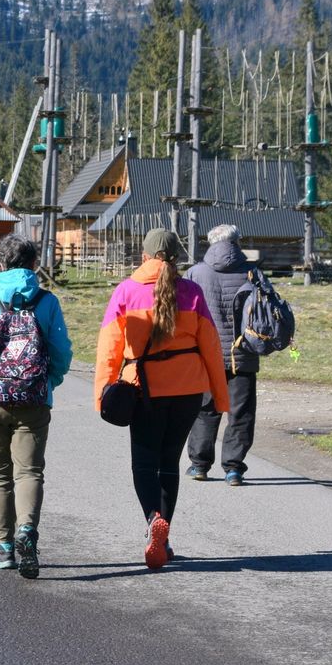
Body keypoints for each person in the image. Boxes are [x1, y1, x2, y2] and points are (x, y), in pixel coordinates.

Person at [94, 228, 228, 569]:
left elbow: (109, 350)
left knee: (144, 463)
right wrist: (220, 396)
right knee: (169, 463)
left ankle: (154, 519)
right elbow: (212, 348)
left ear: (143, 257)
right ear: (177, 258)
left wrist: (102, 394)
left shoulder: (126, 291)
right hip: (187, 389)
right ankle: (164, 541)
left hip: (144, 389)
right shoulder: (192, 292)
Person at [0, 234, 71, 578]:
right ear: (33, 264)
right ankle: (27, 532)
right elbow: (62, 351)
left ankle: (4, 548)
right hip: (34, 398)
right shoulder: (46, 301)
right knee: (30, 471)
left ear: (1, 262)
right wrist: (49, 381)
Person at [185, 224, 260, 486]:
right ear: (236, 242)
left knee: (205, 410)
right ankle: (234, 468)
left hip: (207, 355)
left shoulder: (195, 273)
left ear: (210, 243)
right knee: (241, 413)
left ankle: (199, 465)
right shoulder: (252, 272)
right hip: (244, 354)